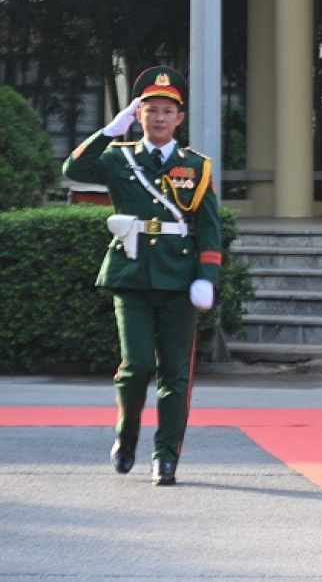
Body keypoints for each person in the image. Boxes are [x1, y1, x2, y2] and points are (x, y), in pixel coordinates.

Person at [62, 66, 222, 487]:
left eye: (167, 111)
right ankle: (126, 433)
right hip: (131, 274)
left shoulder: (196, 167)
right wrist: (107, 132)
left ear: (179, 118)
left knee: (175, 374)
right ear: (139, 114)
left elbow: (209, 227)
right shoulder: (119, 158)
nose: (159, 118)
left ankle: (165, 456)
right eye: (150, 110)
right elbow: (72, 169)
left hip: (179, 279)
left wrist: (207, 276)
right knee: (135, 366)